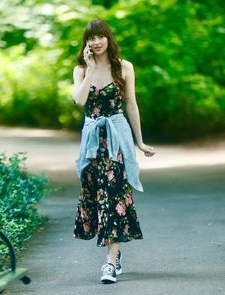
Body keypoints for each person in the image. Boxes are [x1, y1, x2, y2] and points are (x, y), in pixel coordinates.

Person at [72, 18, 156, 284]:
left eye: (100, 36)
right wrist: (90, 67)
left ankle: (109, 263)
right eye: (91, 38)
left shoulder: (124, 67)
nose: (96, 42)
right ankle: (116, 256)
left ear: (108, 38)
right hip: (93, 145)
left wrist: (139, 142)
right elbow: (80, 100)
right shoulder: (80, 70)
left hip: (117, 142)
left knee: (113, 195)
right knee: (98, 198)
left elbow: (131, 105)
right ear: (86, 42)